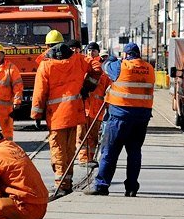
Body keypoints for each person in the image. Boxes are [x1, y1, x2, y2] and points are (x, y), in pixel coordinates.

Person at [31, 40, 101, 197]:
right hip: (75, 113)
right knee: (69, 150)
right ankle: (67, 182)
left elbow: (39, 92)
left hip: (57, 116)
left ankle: (61, 185)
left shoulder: (46, 65)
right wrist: (87, 87)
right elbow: (97, 68)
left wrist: (36, 114)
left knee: (58, 150)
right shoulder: (78, 59)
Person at [85, 42, 155, 197]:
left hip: (120, 116)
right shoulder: (149, 68)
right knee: (135, 152)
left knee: (110, 151)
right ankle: (131, 187)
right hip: (141, 118)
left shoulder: (121, 67)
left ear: (125, 55)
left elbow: (106, 65)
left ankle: (102, 185)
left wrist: (111, 58)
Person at [77, 45, 112, 166]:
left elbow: (109, 88)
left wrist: (108, 105)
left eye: (94, 50)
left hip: (97, 109)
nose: (91, 52)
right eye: (89, 50)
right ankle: (83, 158)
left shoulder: (103, 69)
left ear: (98, 52)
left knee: (93, 136)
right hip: (83, 107)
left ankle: (90, 158)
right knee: (81, 134)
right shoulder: (82, 64)